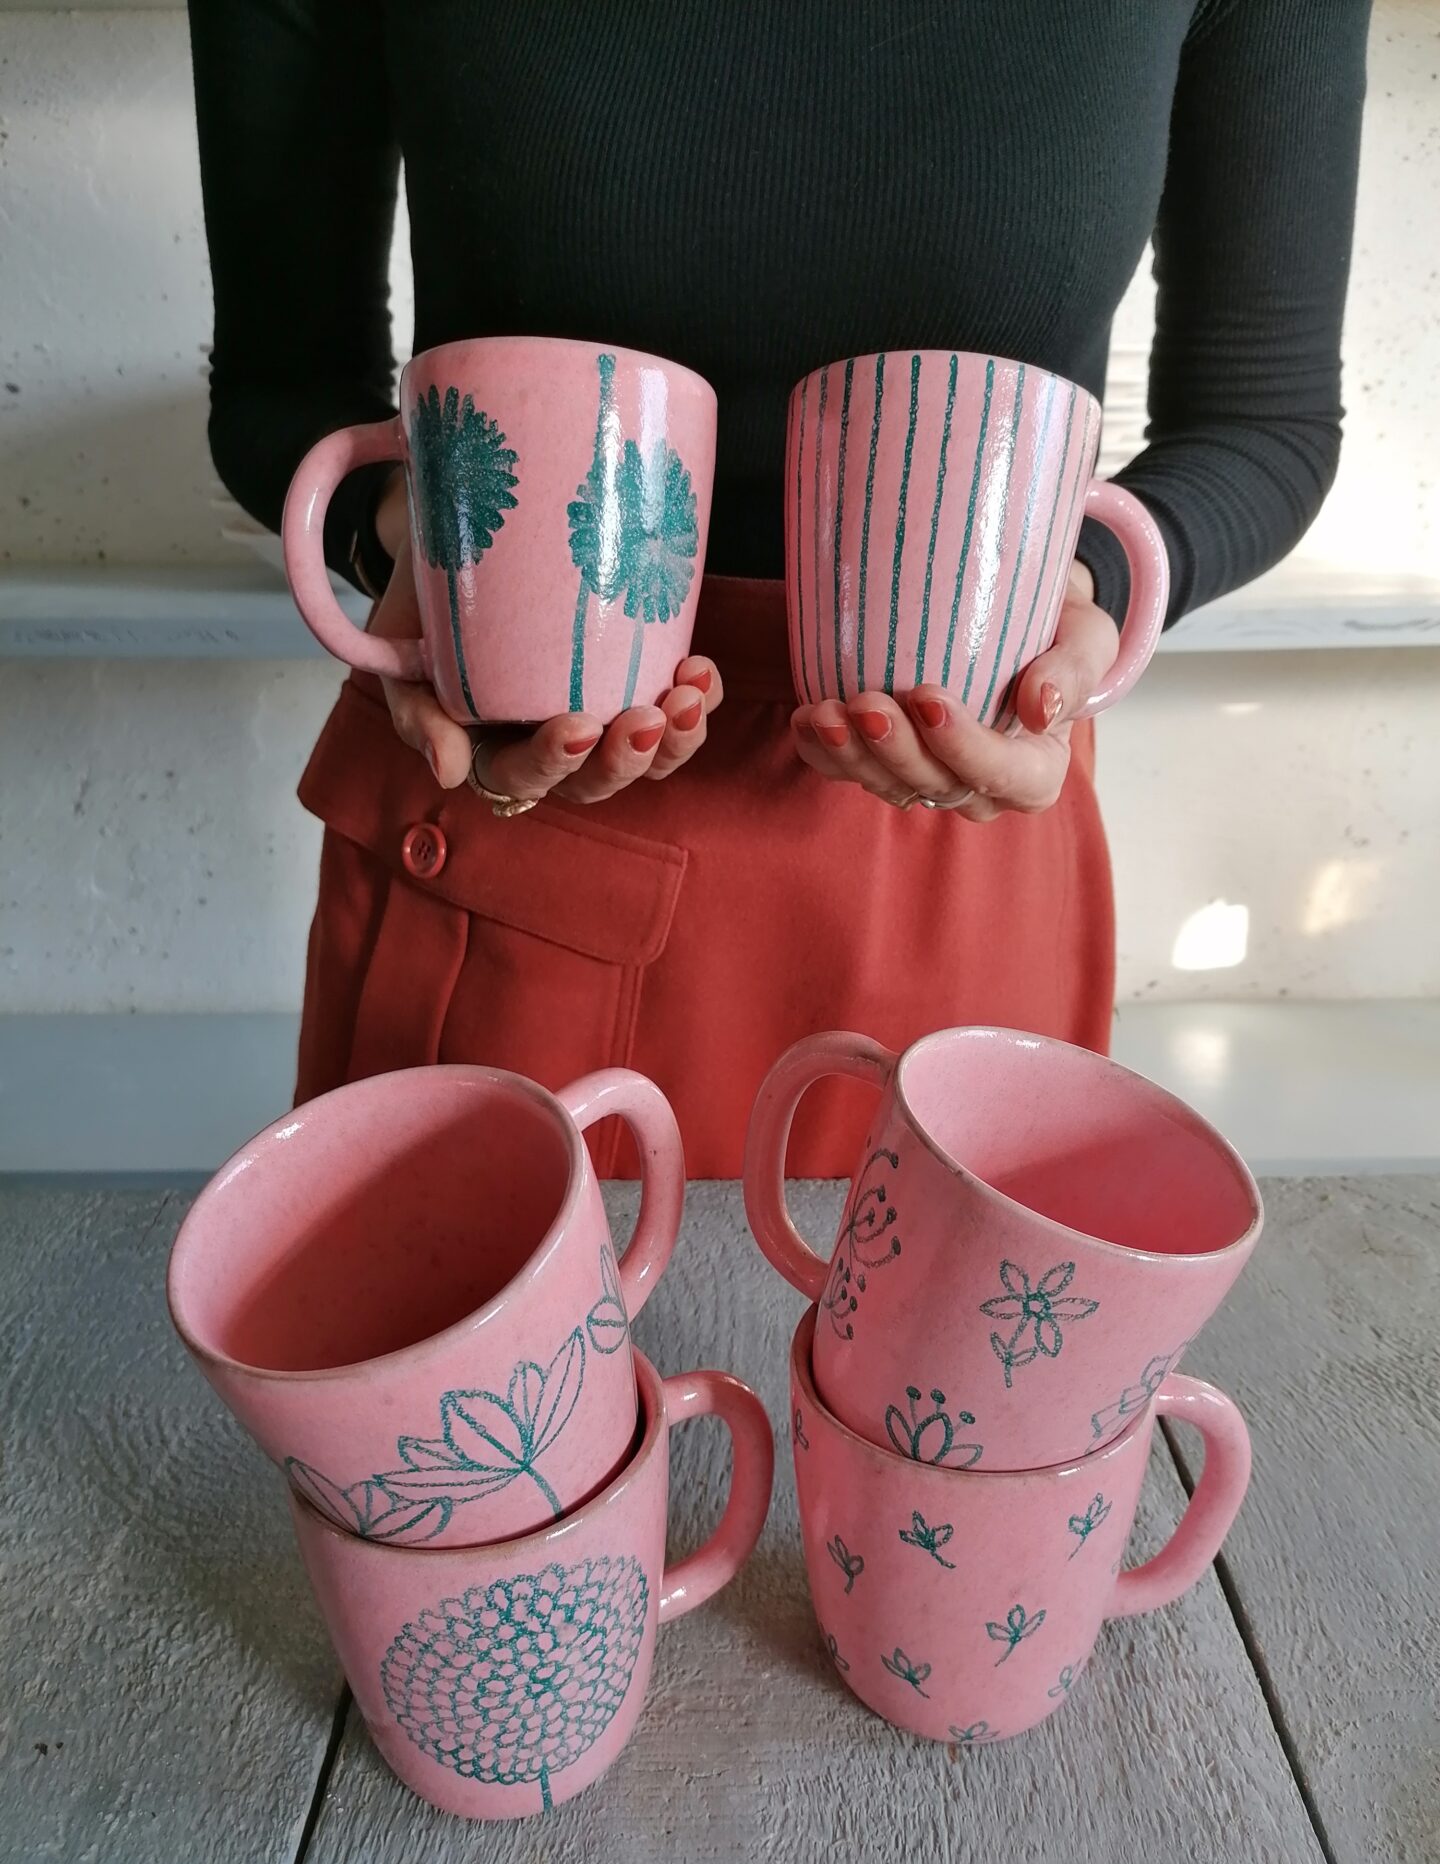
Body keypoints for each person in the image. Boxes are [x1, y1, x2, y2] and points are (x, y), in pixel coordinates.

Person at [188, 0, 1369, 1175]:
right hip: (509, 801)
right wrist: (418, 542)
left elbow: (1262, 420)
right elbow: (280, 391)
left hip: (957, 805)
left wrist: (1079, 584)